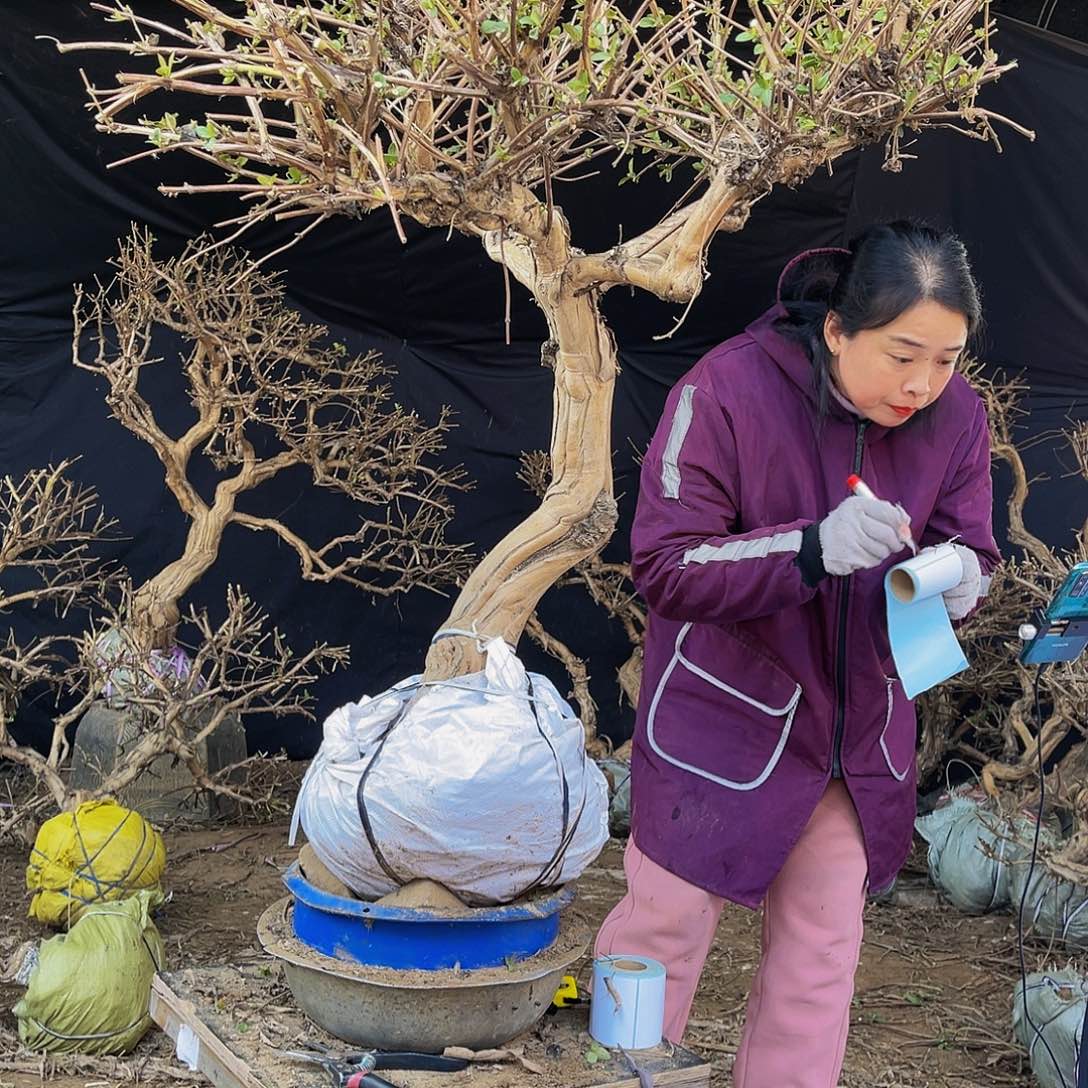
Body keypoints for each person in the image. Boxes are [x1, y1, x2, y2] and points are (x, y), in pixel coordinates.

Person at [594, 222, 1000, 1087]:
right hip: (722, 719)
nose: (924, 385)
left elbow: (973, 540)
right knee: (659, 928)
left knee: (822, 950)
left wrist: (965, 574)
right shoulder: (727, 391)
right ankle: (614, 1070)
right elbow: (664, 565)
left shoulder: (958, 416)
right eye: (901, 355)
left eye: (947, 359)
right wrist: (809, 549)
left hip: (855, 735)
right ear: (836, 330)